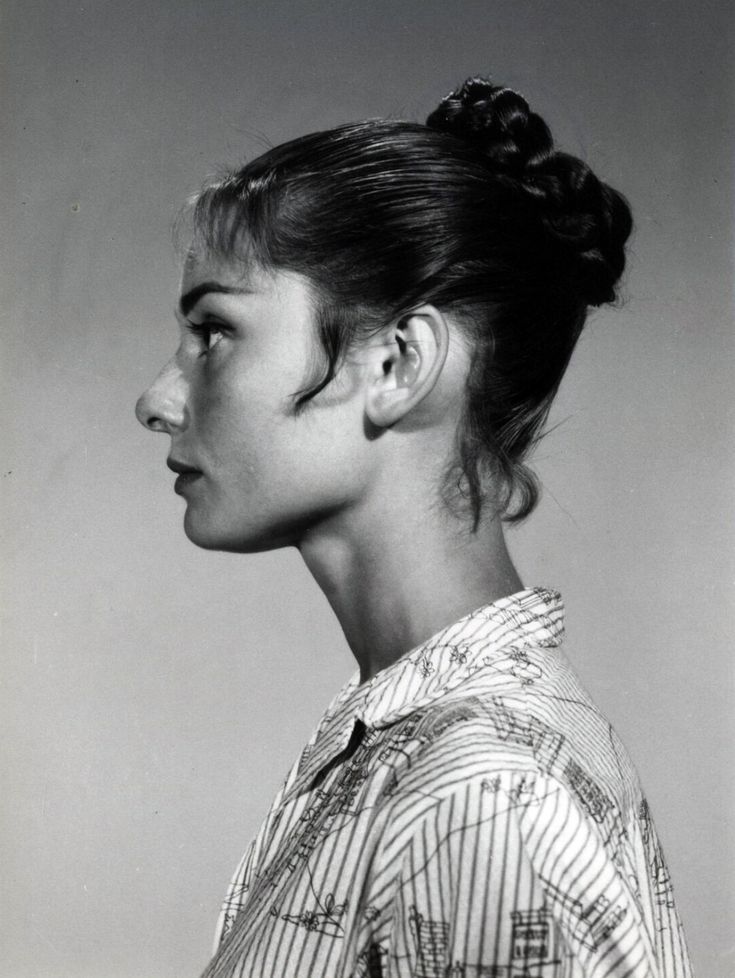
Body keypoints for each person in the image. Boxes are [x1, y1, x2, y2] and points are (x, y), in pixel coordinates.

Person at [136, 77, 693, 978]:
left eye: (213, 332)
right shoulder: (418, 750)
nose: (157, 401)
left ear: (398, 363)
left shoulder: (480, 792)